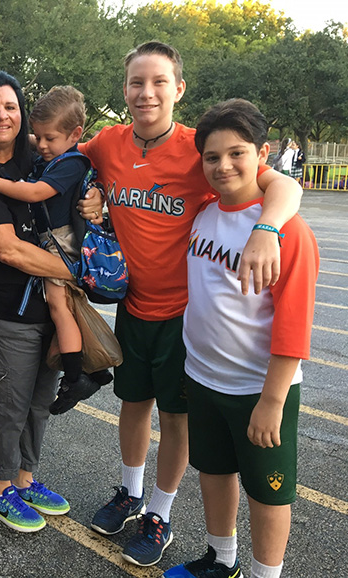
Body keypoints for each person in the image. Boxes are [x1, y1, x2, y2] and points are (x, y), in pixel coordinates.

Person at [76, 41, 303, 567]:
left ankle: (160, 511)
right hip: (132, 307)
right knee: (132, 407)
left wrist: (267, 227)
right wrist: (89, 196)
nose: (147, 92)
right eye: (137, 82)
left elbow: (281, 185)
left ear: (178, 89)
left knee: (175, 420)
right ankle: (131, 491)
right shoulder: (107, 144)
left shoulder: (201, 150)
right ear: (125, 89)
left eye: (159, 82)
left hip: (186, 317)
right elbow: (64, 158)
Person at [164, 98, 318, 578]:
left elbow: (293, 328)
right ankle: (221, 558)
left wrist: (272, 402)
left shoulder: (287, 232)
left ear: (263, 153)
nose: (224, 165)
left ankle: (264, 574)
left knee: (267, 491)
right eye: (212, 157)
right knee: (213, 472)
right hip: (205, 380)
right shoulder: (204, 213)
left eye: (237, 153)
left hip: (258, 390)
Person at [0, 70, 79, 534]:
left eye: (9, 106)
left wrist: (95, 202)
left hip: (48, 308)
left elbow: (75, 190)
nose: (1, 115)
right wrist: (80, 273)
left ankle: (26, 480)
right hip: (5, 311)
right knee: (9, 404)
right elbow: (9, 250)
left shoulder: (40, 161)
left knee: (39, 401)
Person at [0, 85, 113, 415]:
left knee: (59, 308)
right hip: (59, 239)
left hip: (61, 243)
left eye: (49, 138)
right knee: (67, 308)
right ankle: (93, 368)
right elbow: (30, 143)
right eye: (38, 137)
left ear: (75, 134)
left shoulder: (71, 163)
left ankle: (77, 377)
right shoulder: (61, 153)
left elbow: (34, 193)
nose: (42, 145)